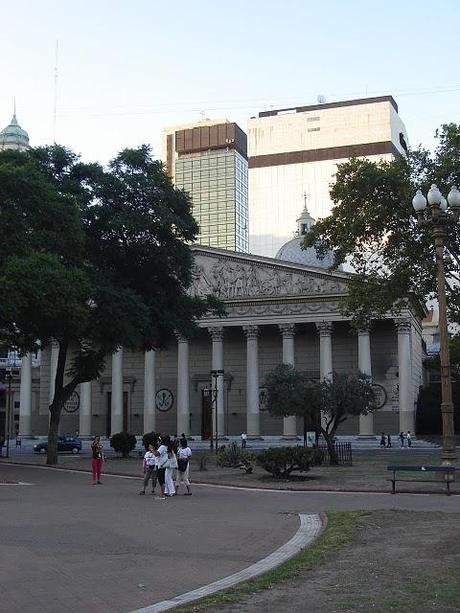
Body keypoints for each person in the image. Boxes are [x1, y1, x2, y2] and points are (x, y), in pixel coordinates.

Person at [156, 435, 169, 500]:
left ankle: (162, 494)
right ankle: (162, 494)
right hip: (163, 465)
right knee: (162, 479)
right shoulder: (165, 447)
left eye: (158, 441)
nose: (157, 442)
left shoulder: (162, 447)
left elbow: (157, 454)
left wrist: (152, 450)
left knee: (161, 480)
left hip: (161, 465)